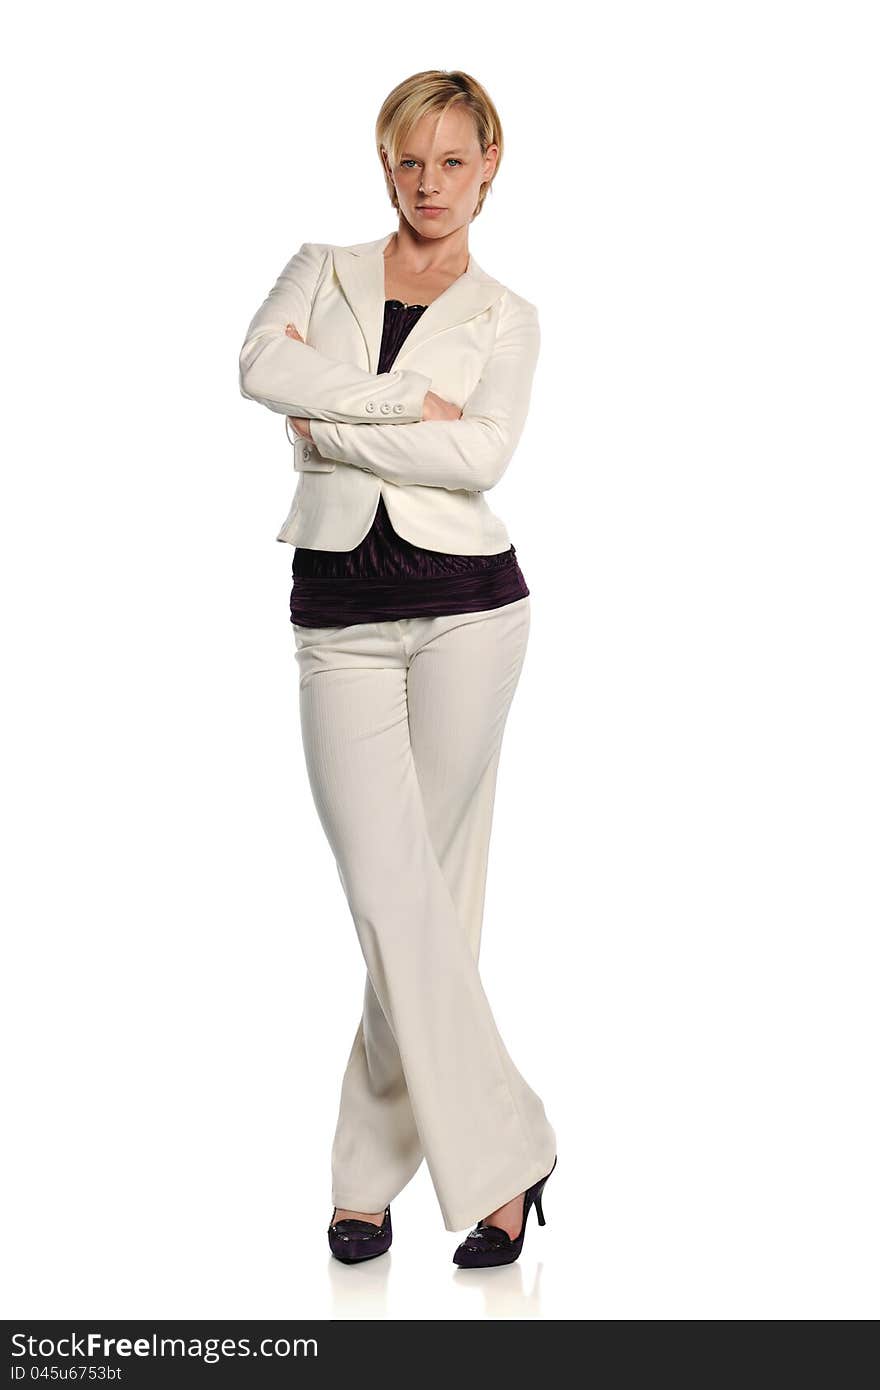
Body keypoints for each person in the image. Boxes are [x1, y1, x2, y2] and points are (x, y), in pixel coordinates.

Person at [239, 68, 557, 1269]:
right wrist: (392, 401)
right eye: (408, 162)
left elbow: (479, 454)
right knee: (394, 893)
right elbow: (258, 367)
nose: (430, 185)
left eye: (452, 162)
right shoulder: (319, 266)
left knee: (426, 892)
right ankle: (510, 1147)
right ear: (386, 165)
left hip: (472, 611)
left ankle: (366, 1177)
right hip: (339, 616)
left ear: (489, 165)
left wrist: (332, 423)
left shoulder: (507, 314)